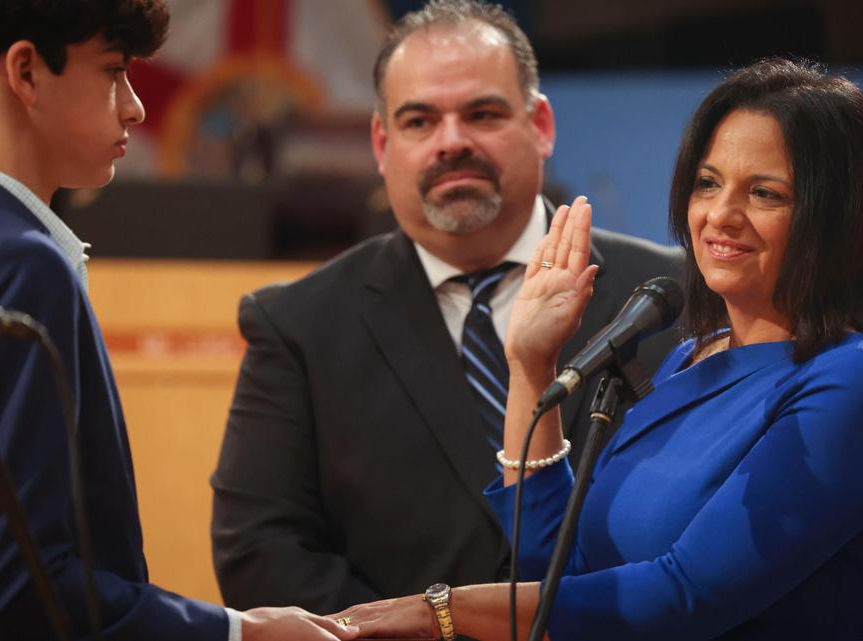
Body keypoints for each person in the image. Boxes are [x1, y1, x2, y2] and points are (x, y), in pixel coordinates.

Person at [330, 58, 863, 640]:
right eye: (708, 183)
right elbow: (557, 567)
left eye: (765, 193)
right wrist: (530, 365)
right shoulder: (691, 357)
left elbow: (681, 600)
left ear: (837, 215)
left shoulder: (857, 386)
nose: (720, 215)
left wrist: (440, 612)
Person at [0, 2, 358, 640]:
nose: (136, 107)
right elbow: (18, 590)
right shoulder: (19, 264)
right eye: (114, 71)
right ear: (27, 72)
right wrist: (239, 631)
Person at [211, 0, 682, 616]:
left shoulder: (672, 294)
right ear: (382, 142)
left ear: (540, 123)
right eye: (419, 121)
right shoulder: (298, 326)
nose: (451, 142)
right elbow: (260, 553)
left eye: (481, 114)